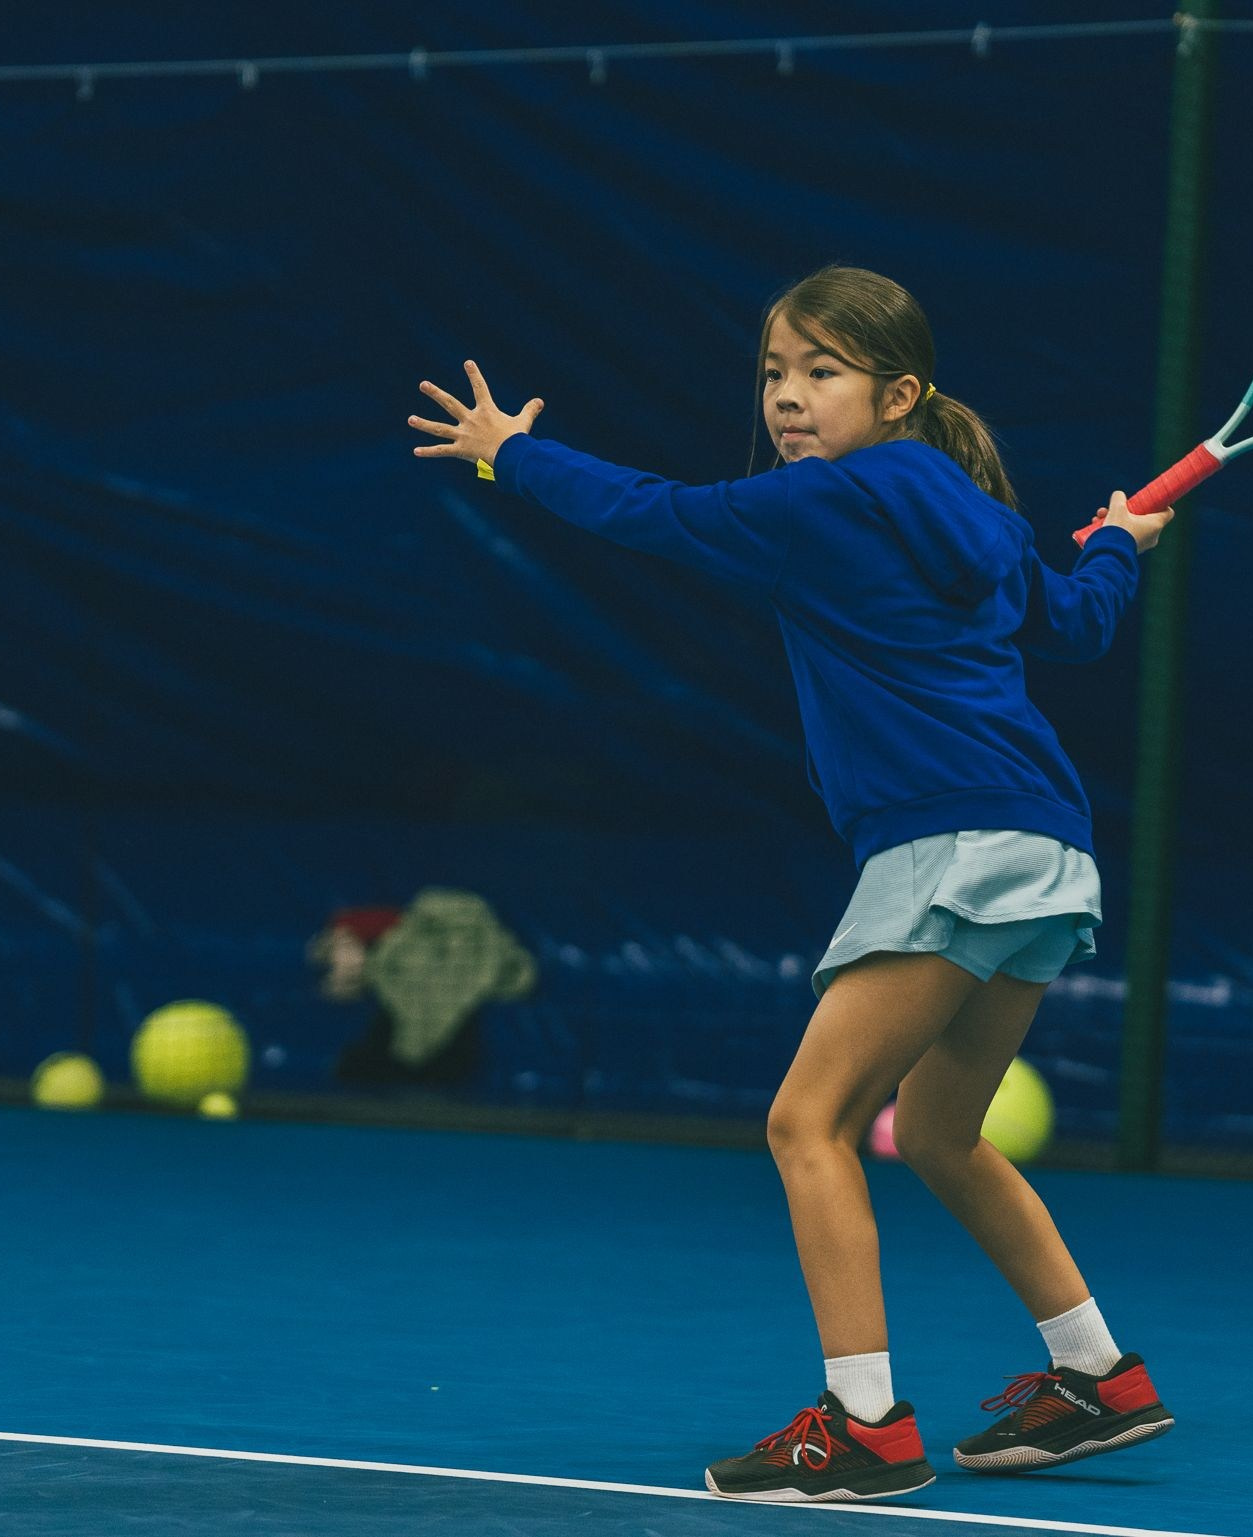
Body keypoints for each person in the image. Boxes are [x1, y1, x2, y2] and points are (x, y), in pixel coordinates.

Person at [408, 265, 1176, 1502]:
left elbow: (649, 512)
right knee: (934, 1130)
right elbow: (1073, 620)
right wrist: (1115, 546)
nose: (787, 398)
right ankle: (1096, 1376)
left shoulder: (818, 503)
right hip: (1045, 848)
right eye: (773, 372)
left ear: (897, 392)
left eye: (821, 372)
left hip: (947, 843)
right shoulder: (971, 510)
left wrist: (509, 455)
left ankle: (862, 1423)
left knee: (803, 1121)